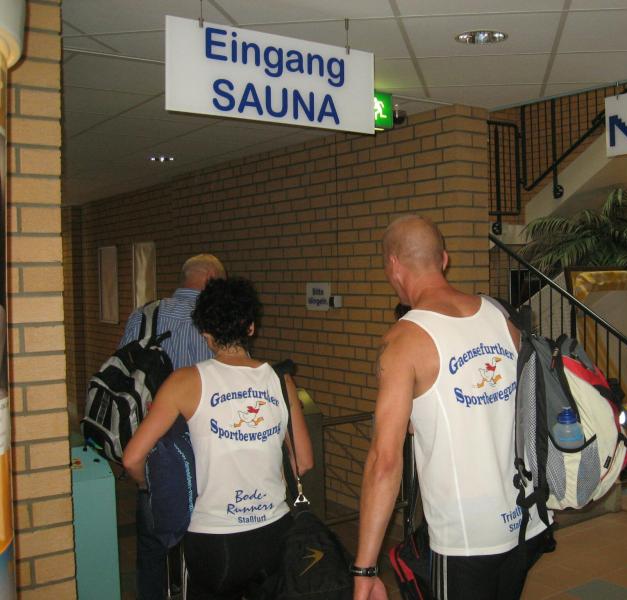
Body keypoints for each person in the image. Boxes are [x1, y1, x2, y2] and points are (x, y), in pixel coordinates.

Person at [353, 215, 551, 600]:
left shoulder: (404, 340)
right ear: (443, 259)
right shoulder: (500, 316)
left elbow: (385, 461)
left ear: (393, 265)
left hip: (465, 539)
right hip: (523, 520)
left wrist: (365, 568)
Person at [123, 277, 313, 599]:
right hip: (274, 533)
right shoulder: (281, 380)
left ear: (206, 335)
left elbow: (132, 458)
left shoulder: (184, 382)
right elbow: (304, 462)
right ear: (251, 327)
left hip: (214, 541)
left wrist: (149, 486)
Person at [119, 253, 225, 600]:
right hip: (203, 451)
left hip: (152, 445)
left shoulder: (143, 315)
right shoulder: (216, 319)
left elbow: (124, 375)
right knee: (203, 538)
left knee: (151, 544)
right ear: (211, 279)